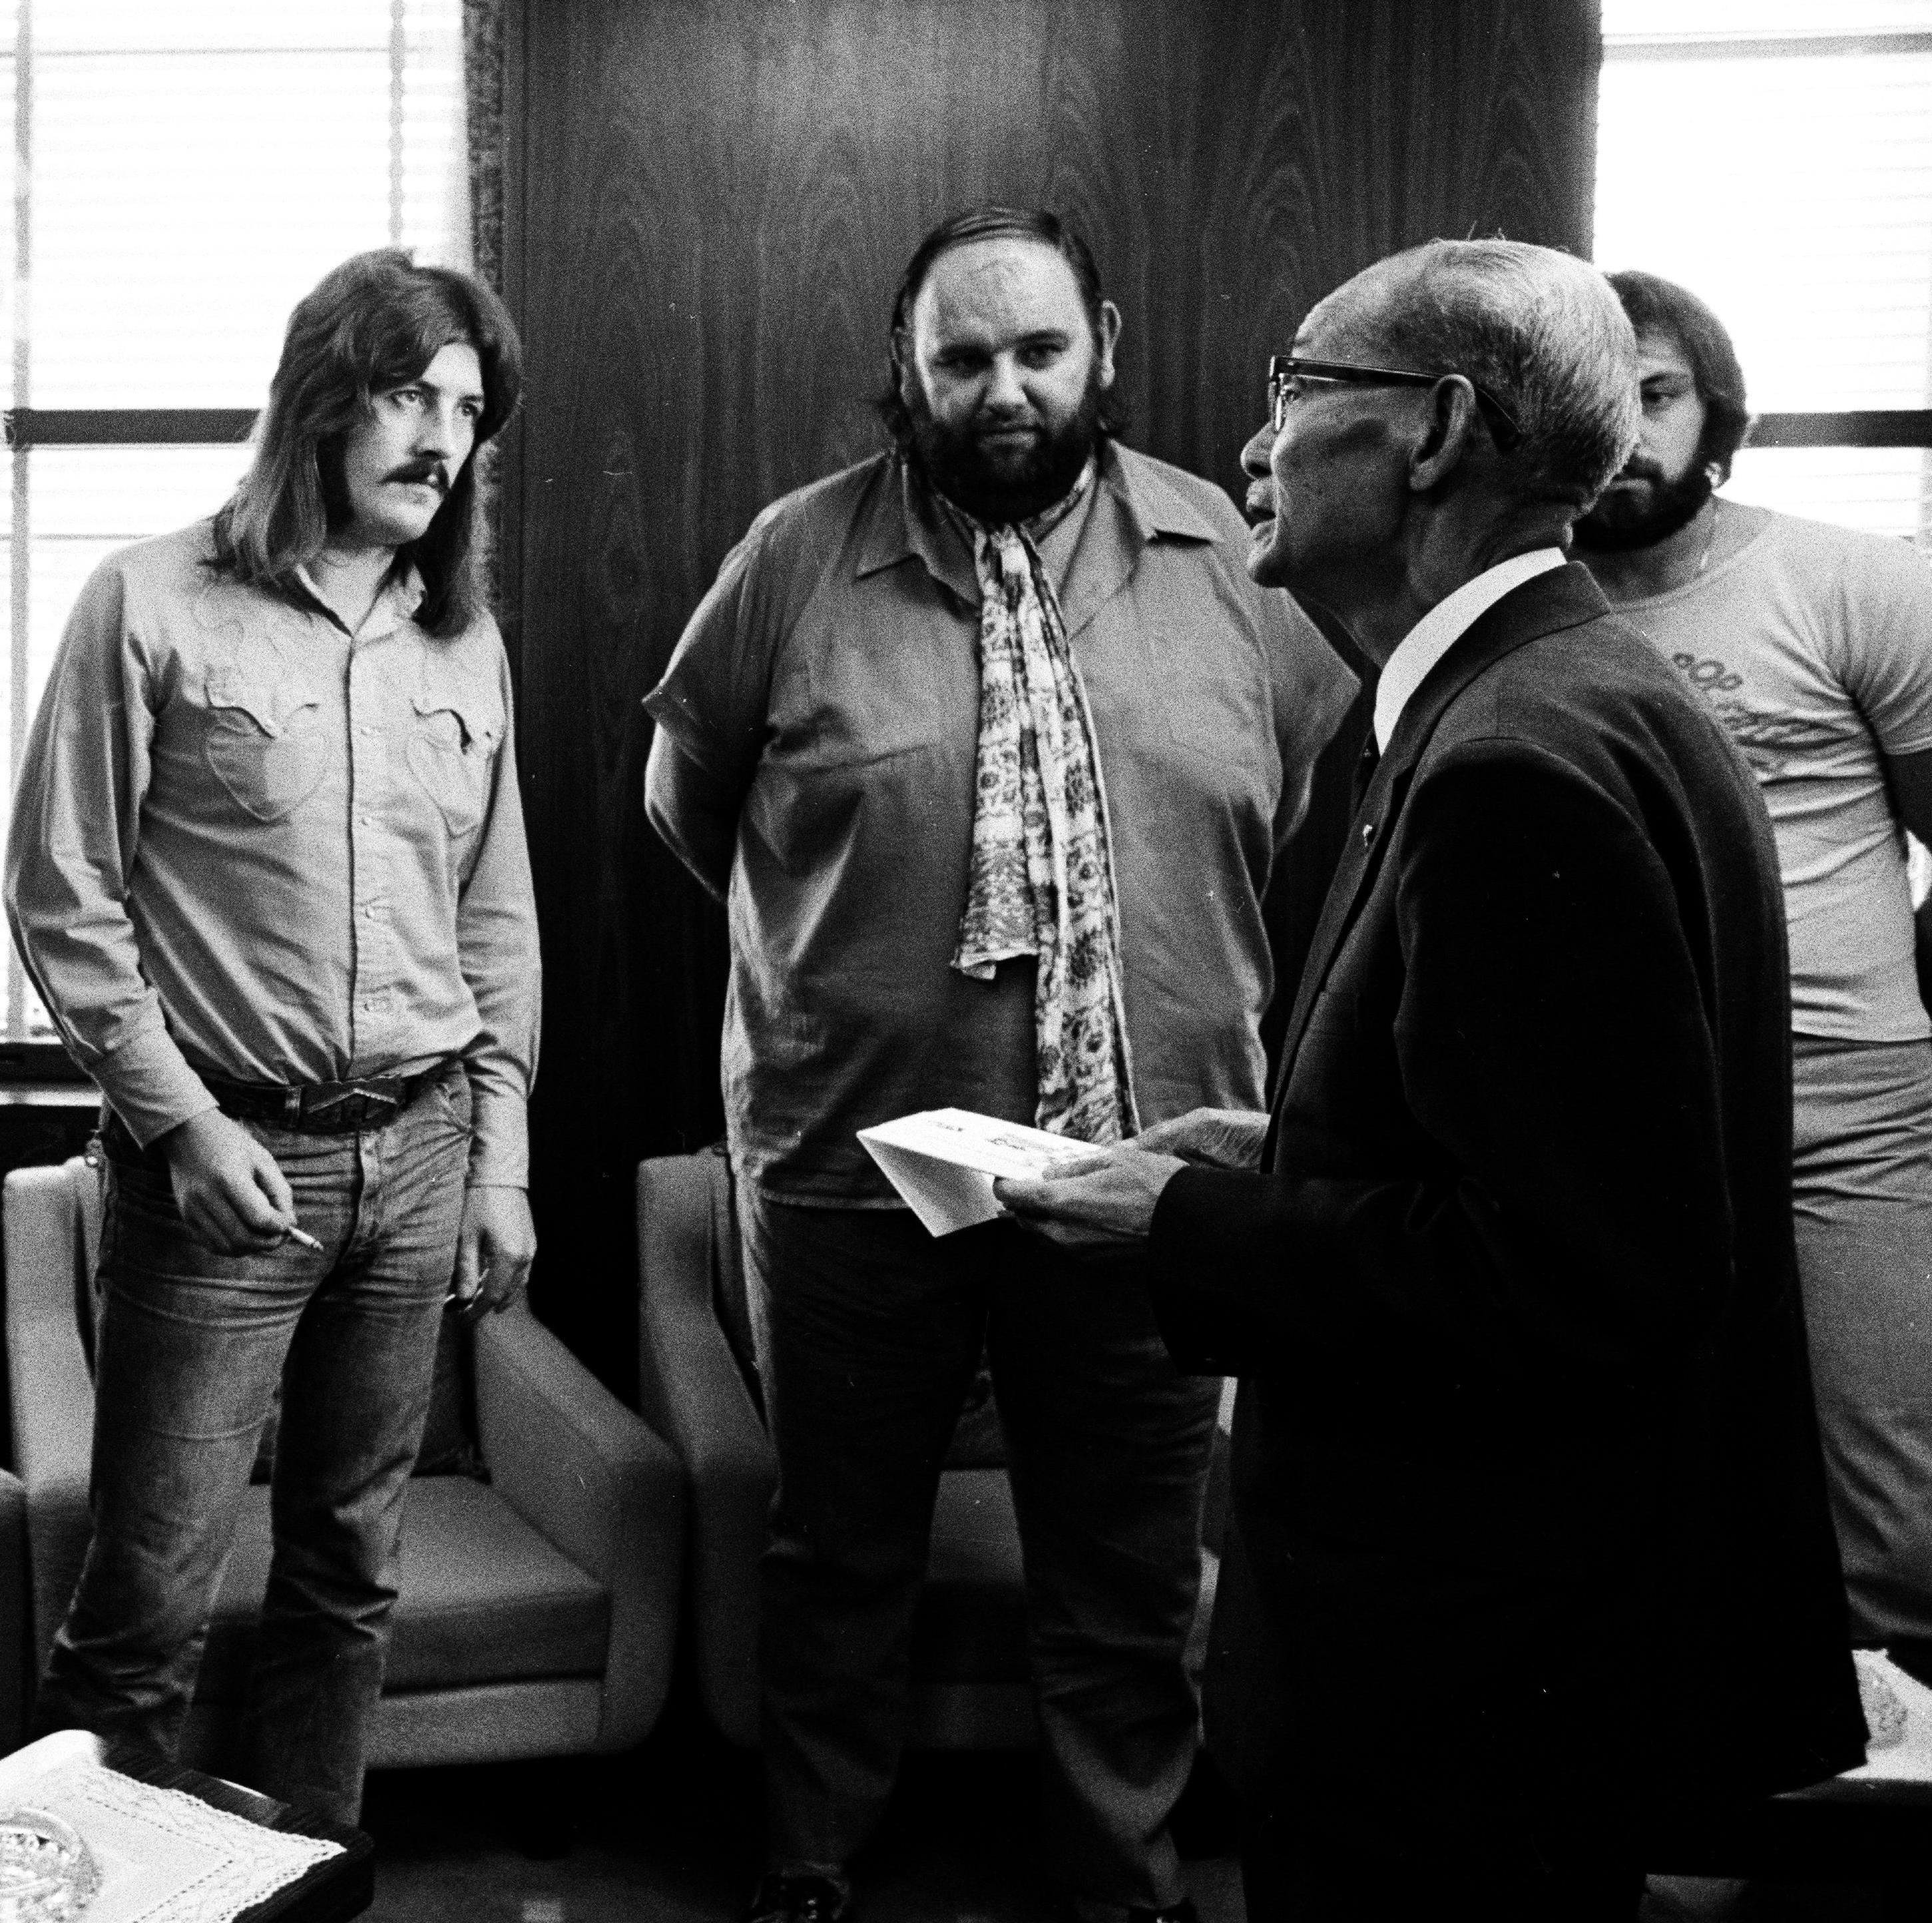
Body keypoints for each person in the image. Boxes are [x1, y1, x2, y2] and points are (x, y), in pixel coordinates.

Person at [999, 238, 1865, 1920]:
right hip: (1511, 1655)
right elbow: (1553, 1146)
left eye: (1294, 389)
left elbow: (1562, 1276)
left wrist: (1181, 1219)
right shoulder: (1578, 691)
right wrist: (1295, 1144)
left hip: (1449, 1683)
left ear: (1434, 429)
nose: (1251, 442)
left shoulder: (1509, 765)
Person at [643, 205, 1354, 1923]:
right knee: (836, 1545)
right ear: (907, 370)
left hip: (1143, 1167)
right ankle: (815, 1857)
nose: (1003, 388)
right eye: (960, 357)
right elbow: (686, 805)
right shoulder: (793, 560)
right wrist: (844, 964)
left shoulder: (1235, 560)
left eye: (1036, 349)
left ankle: (1120, 1872)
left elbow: (1307, 803)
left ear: (1099, 341)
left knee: (1125, 1554)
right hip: (849, 1158)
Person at [7, 248, 539, 1824]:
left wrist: (500, 1162)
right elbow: (61, 888)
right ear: (319, 401)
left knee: (346, 1576)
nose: (441, 437)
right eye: (405, 393)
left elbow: (494, 928)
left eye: (467, 408)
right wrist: (185, 1125)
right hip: (224, 1171)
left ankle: (308, 1877)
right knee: (144, 1611)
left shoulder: (465, 642)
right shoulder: (150, 601)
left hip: (426, 1151)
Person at [1574, 269, 1932, 1665]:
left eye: (1652, 393)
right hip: (1616, 1123)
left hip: (1844, 1109)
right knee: (1633, 1486)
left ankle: (1860, 1824)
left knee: (1886, 1515)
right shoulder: (1516, 614)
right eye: (1594, 400)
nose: (1623, 433)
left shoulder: (1854, 583)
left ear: (1716, 410)